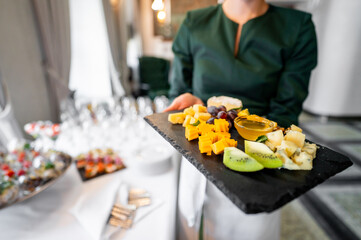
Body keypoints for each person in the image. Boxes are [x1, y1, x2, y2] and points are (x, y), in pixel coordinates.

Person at [164, 0, 317, 239]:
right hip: (200, 150)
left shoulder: (298, 27)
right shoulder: (194, 23)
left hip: (257, 161)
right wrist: (187, 103)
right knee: (191, 228)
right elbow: (178, 90)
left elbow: (286, 109)